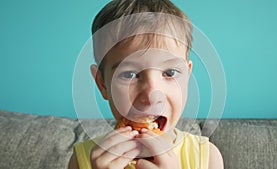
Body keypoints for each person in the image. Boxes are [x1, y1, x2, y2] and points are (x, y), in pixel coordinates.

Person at [69, 0, 223, 168]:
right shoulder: (82, 160)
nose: (151, 95)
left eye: (169, 73)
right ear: (103, 85)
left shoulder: (207, 157)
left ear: (186, 77)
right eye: (129, 74)